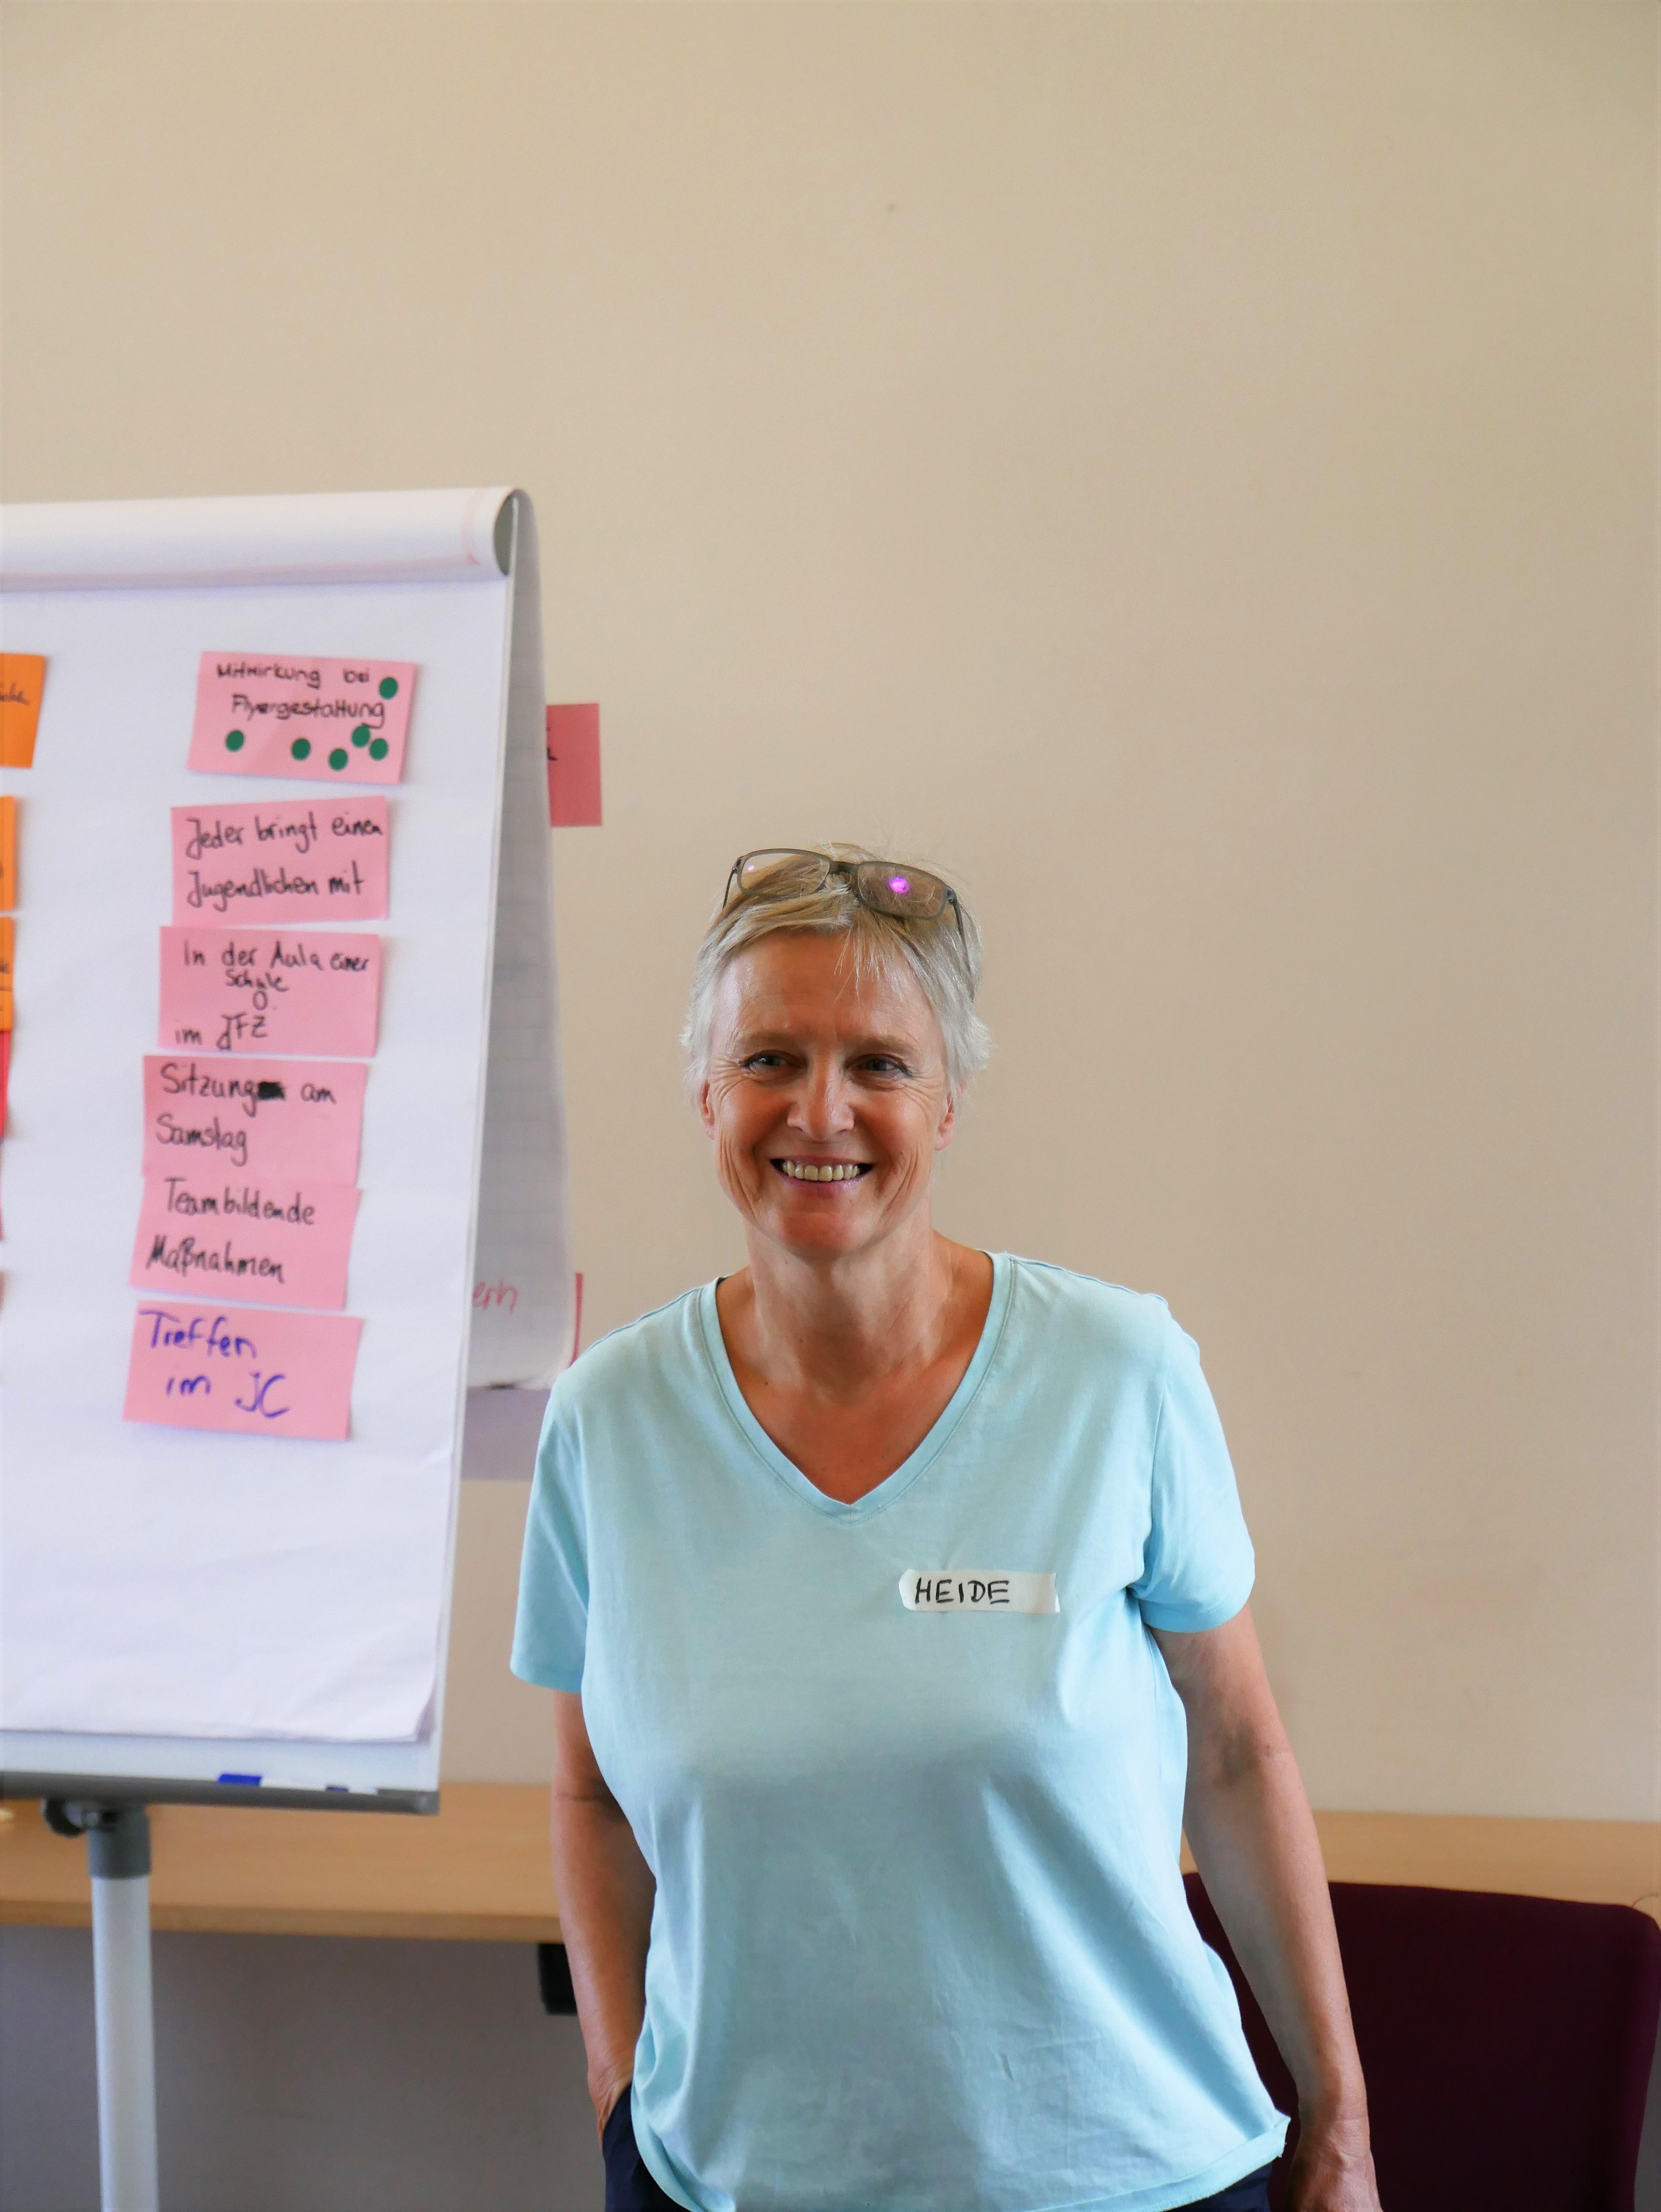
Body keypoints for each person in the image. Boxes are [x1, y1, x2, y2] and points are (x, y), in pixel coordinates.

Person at [513, 846, 1382, 2212]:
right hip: (735, 2180)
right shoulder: (608, 1422)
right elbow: (591, 1793)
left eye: (880, 1064)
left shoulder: (1119, 1376)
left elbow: (1235, 1752)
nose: (822, 1111)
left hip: (1128, 2175)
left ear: (950, 1100)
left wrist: (1339, 2124)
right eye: (769, 1059)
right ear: (705, 1090)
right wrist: (620, 2092)